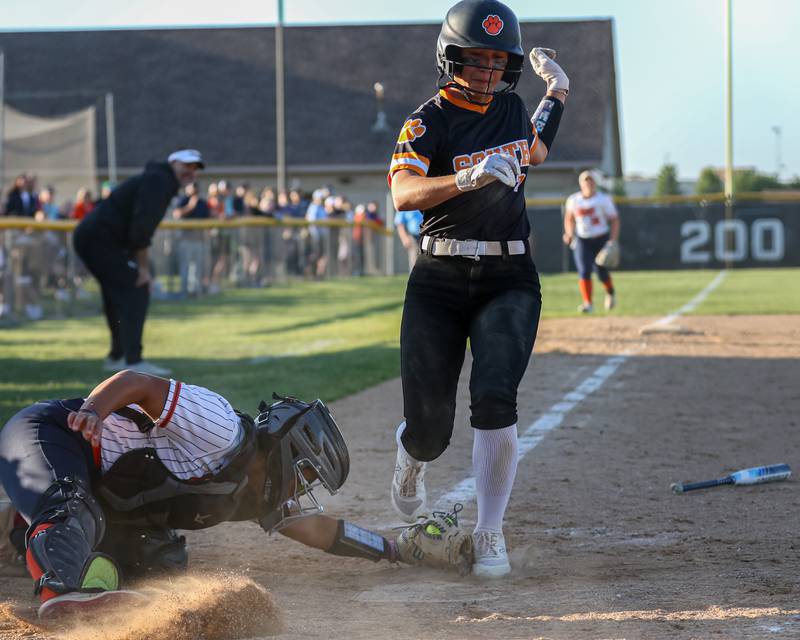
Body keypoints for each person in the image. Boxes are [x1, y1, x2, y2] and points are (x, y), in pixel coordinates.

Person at [0, 370, 471, 620]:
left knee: (161, 566)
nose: (301, 489)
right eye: (304, 475)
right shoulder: (223, 428)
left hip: (107, 496)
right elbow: (137, 384)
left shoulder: (252, 491)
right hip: (55, 435)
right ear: (286, 453)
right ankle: (62, 592)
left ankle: (21, 526)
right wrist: (92, 412)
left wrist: (393, 549)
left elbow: (320, 531)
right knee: (70, 506)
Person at [386, 0, 569, 578]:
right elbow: (403, 194)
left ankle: (489, 532)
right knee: (430, 425)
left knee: (495, 399)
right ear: (450, 59)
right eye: (476, 61)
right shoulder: (427, 119)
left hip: (508, 277)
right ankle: (412, 453)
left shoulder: (513, 107)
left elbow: (535, 150)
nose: (488, 73)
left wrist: (556, 95)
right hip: (439, 278)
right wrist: (462, 177)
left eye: (497, 62)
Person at [72, 150, 204, 375]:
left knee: (117, 293)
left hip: (95, 238)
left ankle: (118, 355)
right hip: (99, 239)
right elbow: (141, 229)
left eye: (195, 168)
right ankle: (132, 360)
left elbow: (138, 230)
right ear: (173, 162)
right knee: (137, 287)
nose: (191, 171)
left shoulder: (160, 179)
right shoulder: (159, 180)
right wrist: (143, 269)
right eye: (187, 165)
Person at [563, 170, 620, 312]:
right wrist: (569, 233)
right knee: (584, 270)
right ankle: (588, 304)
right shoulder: (574, 200)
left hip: (601, 237)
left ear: (595, 183)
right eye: (585, 180)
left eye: (591, 180)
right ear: (580, 183)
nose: (588, 183)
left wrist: (612, 240)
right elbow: (569, 218)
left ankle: (610, 293)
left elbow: (614, 220)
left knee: (601, 271)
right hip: (582, 239)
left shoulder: (603, 199)